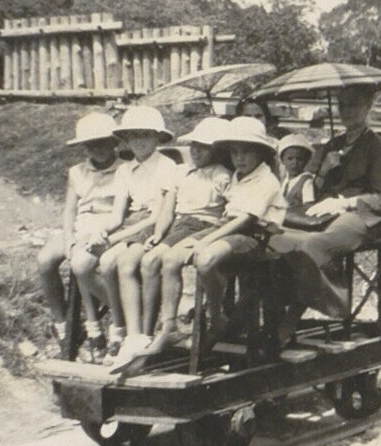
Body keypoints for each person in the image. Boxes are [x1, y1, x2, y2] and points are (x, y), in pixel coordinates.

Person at [267, 84, 381, 329]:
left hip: (362, 215)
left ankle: (308, 314)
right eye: (342, 105)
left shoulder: (376, 145)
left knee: (313, 245)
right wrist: (324, 170)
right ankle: (275, 311)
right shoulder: (333, 144)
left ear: (368, 106)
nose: (346, 111)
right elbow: (314, 188)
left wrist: (345, 203)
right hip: (326, 212)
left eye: (353, 105)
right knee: (275, 240)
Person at [190, 117, 287, 357]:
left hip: (252, 235)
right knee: (176, 254)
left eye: (246, 152)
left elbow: (245, 219)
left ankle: (216, 316)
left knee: (205, 258)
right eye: (235, 152)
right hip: (230, 228)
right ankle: (216, 313)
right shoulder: (238, 175)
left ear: (260, 153)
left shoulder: (267, 180)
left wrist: (207, 240)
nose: (240, 158)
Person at [92, 105, 179, 363]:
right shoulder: (125, 170)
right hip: (133, 223)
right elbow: (118, 215)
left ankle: (136, 335)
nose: (139, 142)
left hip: (156, 224)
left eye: (146, 135)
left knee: (127, 263)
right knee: (106, 261)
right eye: (133, 136)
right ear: (126, 139)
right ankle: (122, 328)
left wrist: (114, 239)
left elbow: (155, 217)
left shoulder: (166, 165)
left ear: (157, 137)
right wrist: (102, 231)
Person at [139, 116, 233, 344]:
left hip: (205, 225)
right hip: (180, 226)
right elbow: (168, 209)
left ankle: (173, 323)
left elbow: (231, 209)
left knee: (169, 260)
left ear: (217, 150)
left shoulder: (222, 175)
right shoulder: (182, 172)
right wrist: (158, 233)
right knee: (149, 261)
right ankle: (152, 328)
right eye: (193, 145)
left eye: (204, 147)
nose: (196, 151)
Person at [36, 112, 120, 359]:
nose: (98, 149)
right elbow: (69, 210)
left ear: (114, 142)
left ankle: (118, 316)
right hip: (80, 225)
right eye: (91, 145)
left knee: (82, 263)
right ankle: (62, 323)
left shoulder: (124, 169)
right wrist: (69, 239)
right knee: (44, 260)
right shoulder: (77, 172)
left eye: (103, 143)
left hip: (105, 225)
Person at [277, 133, 317, 210]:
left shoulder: (306, 181)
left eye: (300, 159)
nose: (295, 163)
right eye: (290, 159)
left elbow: (308, 205)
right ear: (282, 160)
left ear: (306, 161)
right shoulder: (285, 178)